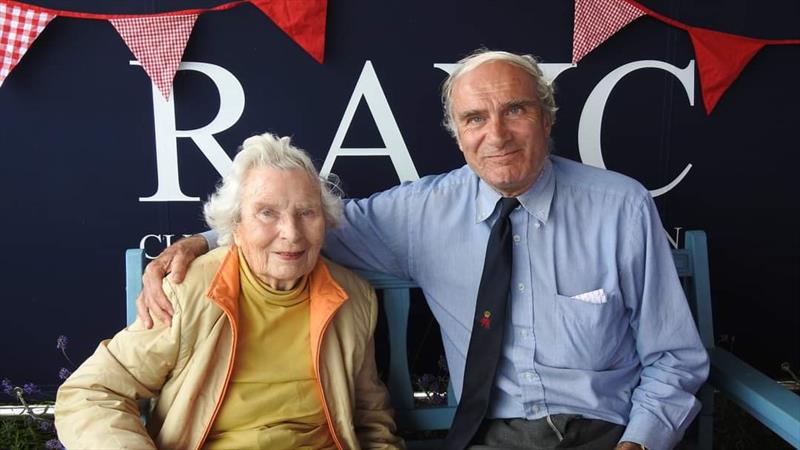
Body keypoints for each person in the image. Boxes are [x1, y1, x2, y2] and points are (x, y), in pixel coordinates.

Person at [138, 50, 709, 450]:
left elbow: (675, 357)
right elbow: (302, 226)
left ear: (547, 116)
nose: (497, 133)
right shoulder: (423, 213)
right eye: (474, 118)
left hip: (610, 432)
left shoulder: (621, 207)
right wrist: (200, 241)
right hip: (492, 436)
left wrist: (640, 443)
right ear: (456, 132)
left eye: (515, 109)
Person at [55, 133, 403, 450]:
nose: (291, 233)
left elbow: (370, 419)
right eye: (267, 213)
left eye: (306, 212)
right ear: (236, 226)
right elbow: (90, 392)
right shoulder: (188, 290)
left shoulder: (353, 298)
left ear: (325, 221)